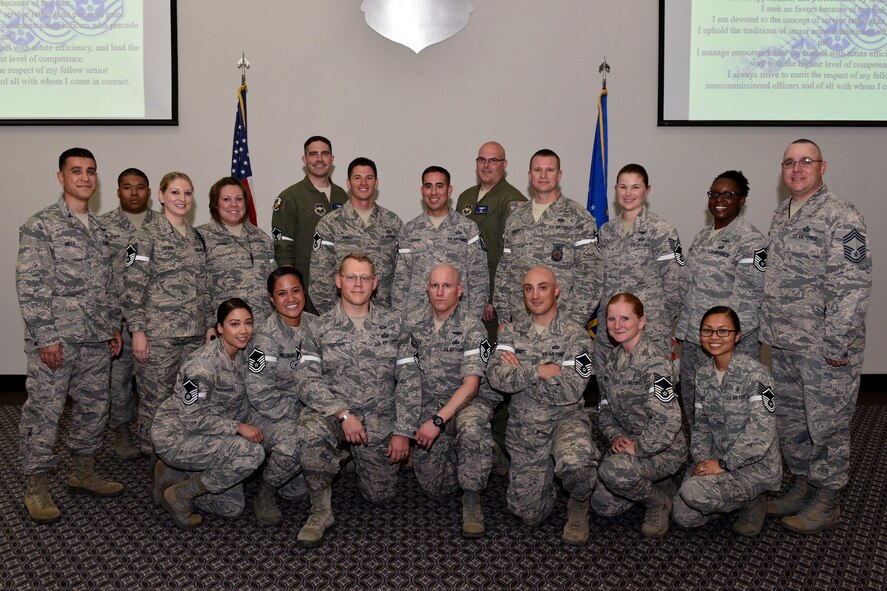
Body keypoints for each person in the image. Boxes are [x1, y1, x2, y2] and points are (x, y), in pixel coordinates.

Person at [762, 139, 871, 534]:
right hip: (786, 342)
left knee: (826, 424)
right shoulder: (782, 215)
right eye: (789, 162)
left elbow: (852, 286)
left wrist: (837, 343)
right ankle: (804, 485)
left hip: (824, 347)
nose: (796, 168)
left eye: (805, 161)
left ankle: (827, 500)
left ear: (822, 167)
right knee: (792, 422)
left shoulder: (841, 216)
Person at [17, 147, 124, 524]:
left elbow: (112, 284)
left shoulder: (102, 231)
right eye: (76, 171)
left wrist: (114, 325)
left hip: (95, 337)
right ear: (61, 177)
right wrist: (45, 336)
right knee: (45, 412)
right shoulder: (40, 225)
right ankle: (36, 485)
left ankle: (83, 472)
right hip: (57, 339)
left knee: (95, 409)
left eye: (91, 171)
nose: (84, 178)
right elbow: (31, 285)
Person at [295, 253, 420, 548]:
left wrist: (403, 432)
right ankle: (321, 511)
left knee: (380, 496)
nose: (358, 284)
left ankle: (353, 460)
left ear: (375, 283)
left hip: (380, 418)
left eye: (365, 278)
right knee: (311, 429)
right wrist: (342, 413)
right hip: (335, 416)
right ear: (339, 282)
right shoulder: (317, 327)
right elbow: (306, 380)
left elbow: (410, 380)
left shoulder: (394, 323)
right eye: (351, 277)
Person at [486, 266, 598, 545]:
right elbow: (497, 377)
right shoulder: (511, 332)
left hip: (565, 421)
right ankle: (542, 476)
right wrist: (538, 370)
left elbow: (571, 389)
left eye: (543, 287)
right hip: (526, 426)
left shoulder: (576, 336)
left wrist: (520, 373)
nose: (535, 295)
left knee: (576, 462)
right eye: (528, 288)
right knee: (527, 514)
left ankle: (578, 501)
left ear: (557, 290)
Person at [121, 172, 215, 461]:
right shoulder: (144, 237)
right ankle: (154, 462)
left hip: (194, 335)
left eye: (187, 193)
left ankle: (180, 459)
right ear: (161, 196)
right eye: (175, 192)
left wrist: (210, 324)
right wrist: (137, 330)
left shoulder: (197, 237)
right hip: (158, 336)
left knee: (189, 399)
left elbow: (205, 285)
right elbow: (132, 287)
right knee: (155, 402)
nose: (182, 199)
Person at [153, 299, 265, 529]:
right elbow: (192, 417)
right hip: (179, 435)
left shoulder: (247, 352)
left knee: (231, 508)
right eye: (235, 324)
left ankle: (174, 474)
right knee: (251, 454)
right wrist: (236, 428)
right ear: (220, 328)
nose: (243, 331)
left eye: (248, 323)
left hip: (211, 432)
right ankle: (181, 494)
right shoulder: (201, 366)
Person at [672, 306, 782, 536]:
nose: (714, 338)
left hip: (753, 466)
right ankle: (726, 496)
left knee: (693, 493)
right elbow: (700, 426)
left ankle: (752, 500)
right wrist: (703, 462)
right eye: (708, 331)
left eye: (723, 331)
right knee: (684, 517)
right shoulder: (703, 375)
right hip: (716, 458)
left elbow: (762, 433)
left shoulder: (756, 374)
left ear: (737, 336)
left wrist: (724, 464)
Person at [407, 264, 493, 537]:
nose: (440, 292)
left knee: (471, 427)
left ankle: (472, 497)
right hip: (429, 404)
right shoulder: (413, 323)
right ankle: (480, 454)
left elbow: (470, 386)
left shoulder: (472, 328)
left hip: (466, 403)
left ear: (460, 290)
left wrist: (437, 421)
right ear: (427, 289)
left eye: (447, 286)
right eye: (434, 286)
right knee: (437, 488)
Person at [591, 293, 686, 539]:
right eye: (612, 319)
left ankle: (657, 502)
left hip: (662, 448)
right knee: (602, 506)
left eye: (625, 318)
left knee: (612, 472)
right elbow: (604, 407)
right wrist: (616, 436)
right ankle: (652, 481)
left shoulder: (655, 363)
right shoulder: (612, 359)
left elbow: (669, 420)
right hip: (629, 440)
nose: (617, 325)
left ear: (641, 322)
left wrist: (640, 448)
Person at [675, 171, 766, 424]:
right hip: (695, 340)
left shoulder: (751, 241)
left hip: (729, 345)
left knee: (731, 411)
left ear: (742, 200)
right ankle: (702, 459)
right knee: (695, 405)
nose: (719, 199)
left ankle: (732, 463)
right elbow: (688, 288)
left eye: (728, 194)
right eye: (714, 194)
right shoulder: (703, 237)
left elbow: (750, 299)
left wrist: (719, 339)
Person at [494, 149, 602, 329]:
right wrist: (503, 319)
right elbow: (505, 272)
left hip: (563, 325)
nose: (543, 175)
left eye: (550, 170)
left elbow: (590, 275)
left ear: (559, 175)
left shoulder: (578, 217)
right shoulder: (515, 219)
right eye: (537, 170)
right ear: (530, 175)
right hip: (521, 325)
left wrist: (574, 323)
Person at [596, 164, 685, 373]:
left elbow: (676, 282)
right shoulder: (606, 231)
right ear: (615, 189)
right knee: (610, 385)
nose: (628, 193)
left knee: (651, 388)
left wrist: (656, 317)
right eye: (623, 187)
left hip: (649, 328)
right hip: (611, 330)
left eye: (635, 187)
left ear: (647, 190)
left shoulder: (662, 230)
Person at [242, 267, 313, 525]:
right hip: (267, 413)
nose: (290, 298)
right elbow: (259, 393)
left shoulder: (315, 326)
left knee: (297, 491)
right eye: (281, 293)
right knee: (299, 442)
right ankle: (265, 491)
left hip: (305, 408)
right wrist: (301, 417)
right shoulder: (265, 337)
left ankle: (291, 470)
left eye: (295, 290)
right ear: (271, 299)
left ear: (304, 292)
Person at [99, 167, 158, 460]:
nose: (134, 192)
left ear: (149, 191)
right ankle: (122, 432)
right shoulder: (103, 226)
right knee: (119, 380)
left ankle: (158, 434)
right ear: (118, 191)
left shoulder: (163, 224)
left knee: (157, 381)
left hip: (156, 319)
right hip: (118, 320)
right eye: (127, 187)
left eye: (140, 187)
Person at [392, 166, 488, 319]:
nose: (434, 192)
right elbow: (401, 282)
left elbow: (478, 278)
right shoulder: (409, 231)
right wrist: (399, 319)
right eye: (428, 186)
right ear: (422, 190)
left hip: (458, 319)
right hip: (417, 318)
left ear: (449, 191)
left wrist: (474, 320)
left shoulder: (468, 229)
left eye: (439, 186)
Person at [309, 157, 402, 314]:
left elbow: (402, 275)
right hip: (341, 321)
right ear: (348, 183)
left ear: (376, 182)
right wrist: (334, 320)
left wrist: (395, 317)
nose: (363, 183)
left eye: (369, 178)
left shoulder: (393, 223)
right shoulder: (330, 224)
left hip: (384, 320)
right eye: (357, 178)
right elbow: (319, 279)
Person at [271, 135, 349, 315]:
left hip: (341, 289)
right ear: (305, 160)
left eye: (325, 154)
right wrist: (292, 290)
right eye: (313, 154)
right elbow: (283, 249)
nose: (319, 159)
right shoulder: (289, 198)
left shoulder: (344, 197)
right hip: (306, 288)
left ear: (332, 159)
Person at [455, 141, 527, 329]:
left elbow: (512, 257)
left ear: (504, 164)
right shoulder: (465, 198)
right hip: (464, 294)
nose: (486, 165)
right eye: (482, 159)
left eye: (493, 160)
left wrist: (492, 297)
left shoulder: (512, 199)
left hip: (494, 298)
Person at [199, 177, 276, 322]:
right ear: (215, 204)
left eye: (239, 199)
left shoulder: (261, 237)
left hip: (264, 326)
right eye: (226, 199)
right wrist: (209, 325)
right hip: (225, 327)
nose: (234, 204)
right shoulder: (202, 238)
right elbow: (199, 288)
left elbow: (274, 284)